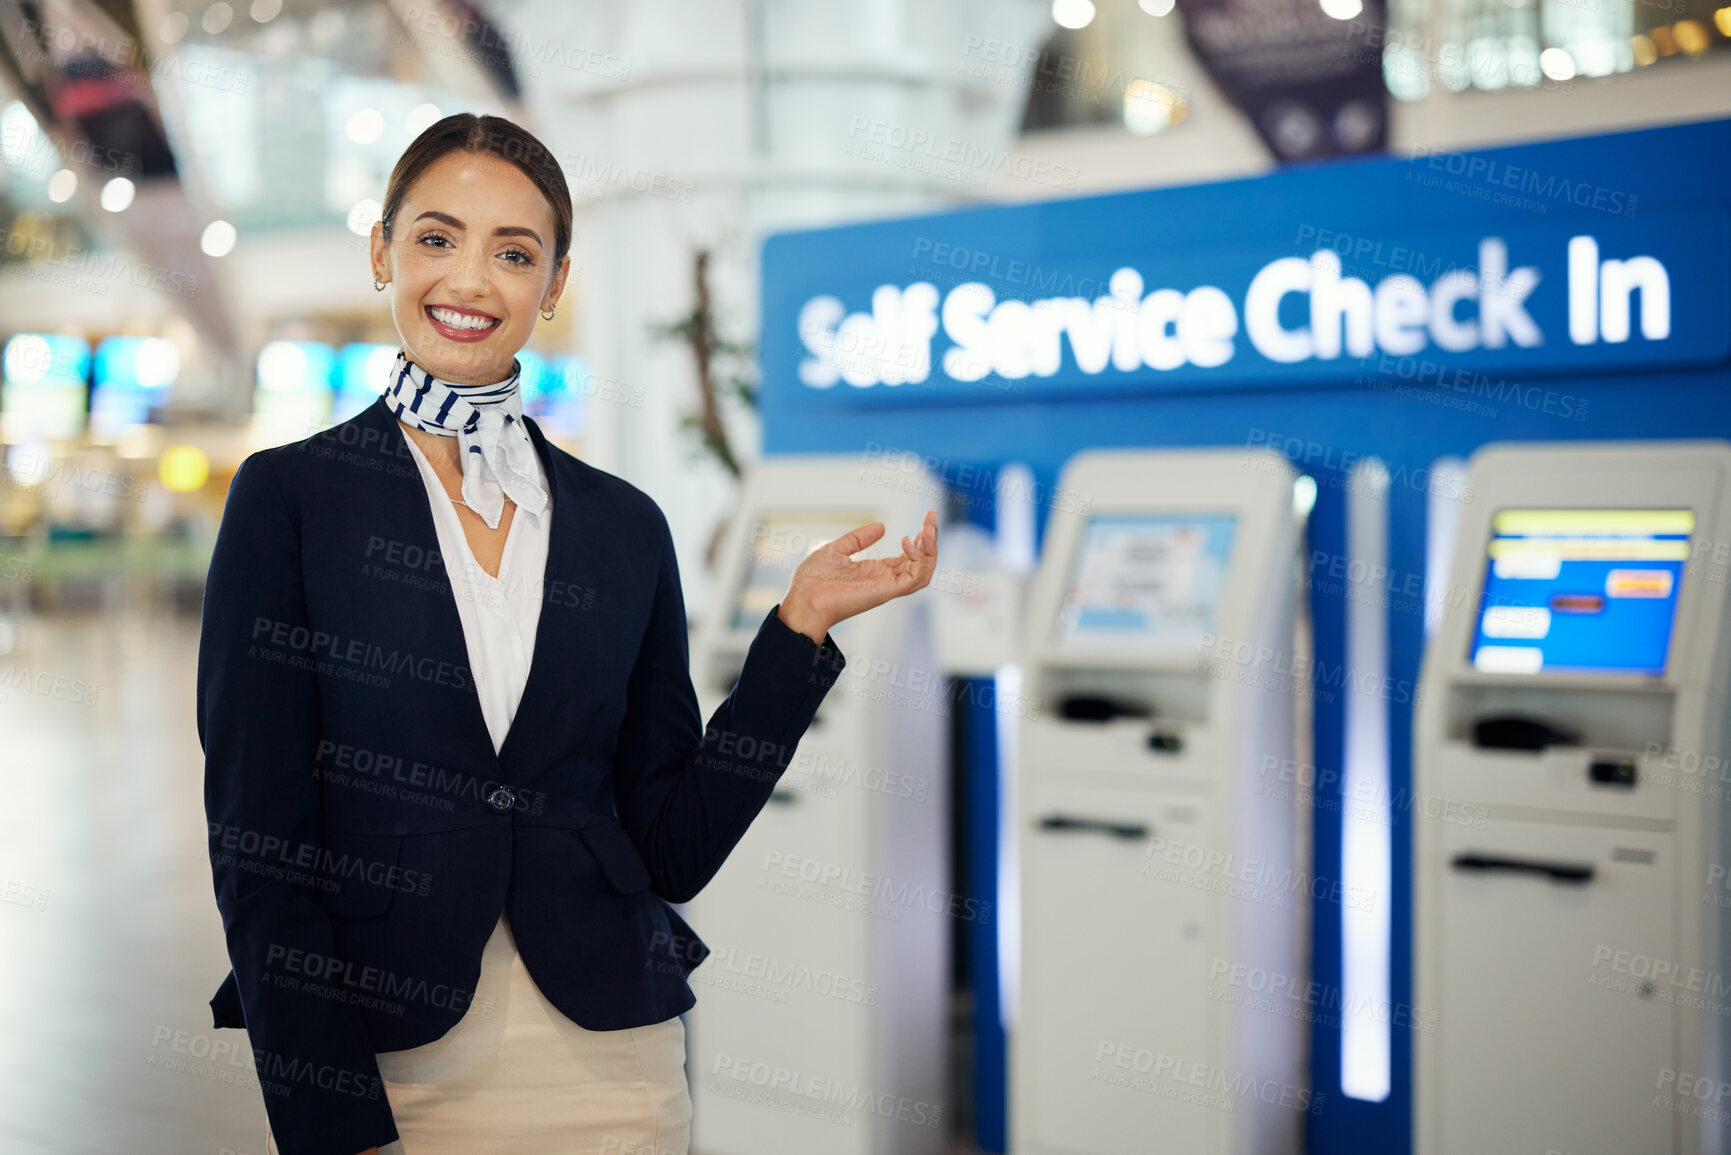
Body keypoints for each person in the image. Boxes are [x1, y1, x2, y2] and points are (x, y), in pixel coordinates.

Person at [198, 112, 939, 1155]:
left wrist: (795, 636)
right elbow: (258, 840)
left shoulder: (622, 523)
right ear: (383, 252)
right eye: (436, 238)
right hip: (387, 1059)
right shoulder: (291, 499)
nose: (470, 281)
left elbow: (671, 843)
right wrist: (326, 1120)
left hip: (614, 1065)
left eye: (514, 253)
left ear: (552, 286)